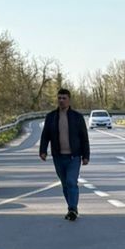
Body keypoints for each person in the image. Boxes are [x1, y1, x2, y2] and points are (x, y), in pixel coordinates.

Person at [38, 87, 90, 218]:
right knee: (65, 184)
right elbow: (45, 136)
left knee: (71, 181)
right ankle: (71, 208)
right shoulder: (51, 117)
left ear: (69, 100)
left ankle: (72, 208)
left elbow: (84, 137)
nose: (61, 100)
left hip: (74, 157)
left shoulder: (77, 117)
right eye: (59, 98)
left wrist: (86, 156)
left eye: (64, 98)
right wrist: (43, 151)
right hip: (58, 156)